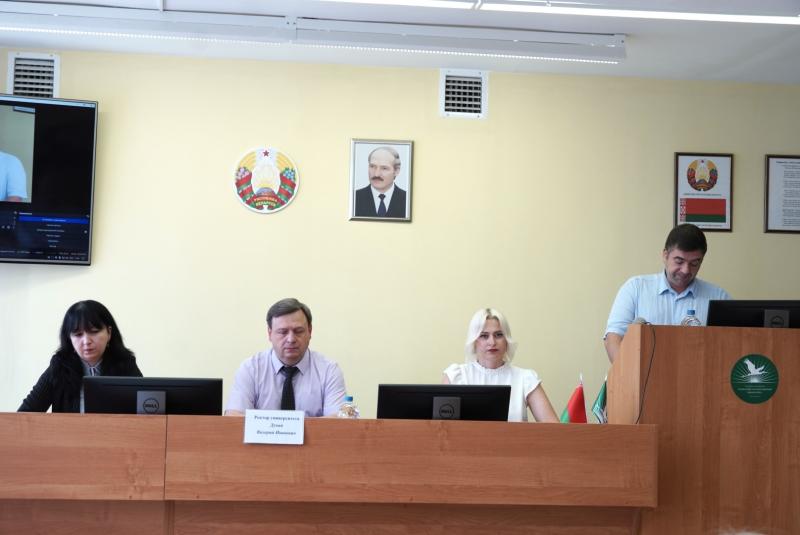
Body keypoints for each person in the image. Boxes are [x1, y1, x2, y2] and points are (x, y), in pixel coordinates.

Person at [604, 223, 731, 363]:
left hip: (699, 375)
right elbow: (613, 338)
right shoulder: (636, 288)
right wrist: (628, 372)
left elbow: (730, 345)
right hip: (644, 375)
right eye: (679, 261)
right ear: (665, 255)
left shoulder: (718, 298)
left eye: (694, 263)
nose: (686, 270)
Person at [225, 298, 347, 416]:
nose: (291, 339)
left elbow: (337, 421)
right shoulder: (251, 369)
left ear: (310, 331)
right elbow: (234, 416)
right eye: (283, 332)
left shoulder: (329, 371)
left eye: (298, 331)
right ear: (270, 333)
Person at [18, 300, 142, 412]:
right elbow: (25, 414)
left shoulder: (125, 364)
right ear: (69, 338)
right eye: (78, 334)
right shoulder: (59, 367)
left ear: (109, 333)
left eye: (94, 332)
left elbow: (146, 414)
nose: (86, 341)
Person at [442, 308, 558, 423]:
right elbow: (440, 428)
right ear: (474, 341)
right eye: (484, 336)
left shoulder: (525, 379)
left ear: (507, 340)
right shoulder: (455, 376)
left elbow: (554, 429)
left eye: (498, 335)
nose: (492, 342)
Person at [354, 146, 407, 218]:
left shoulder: (407, 199)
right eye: (372, 166)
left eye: (384, 168)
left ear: (396, 171)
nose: (376, 174)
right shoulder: (354, 198)